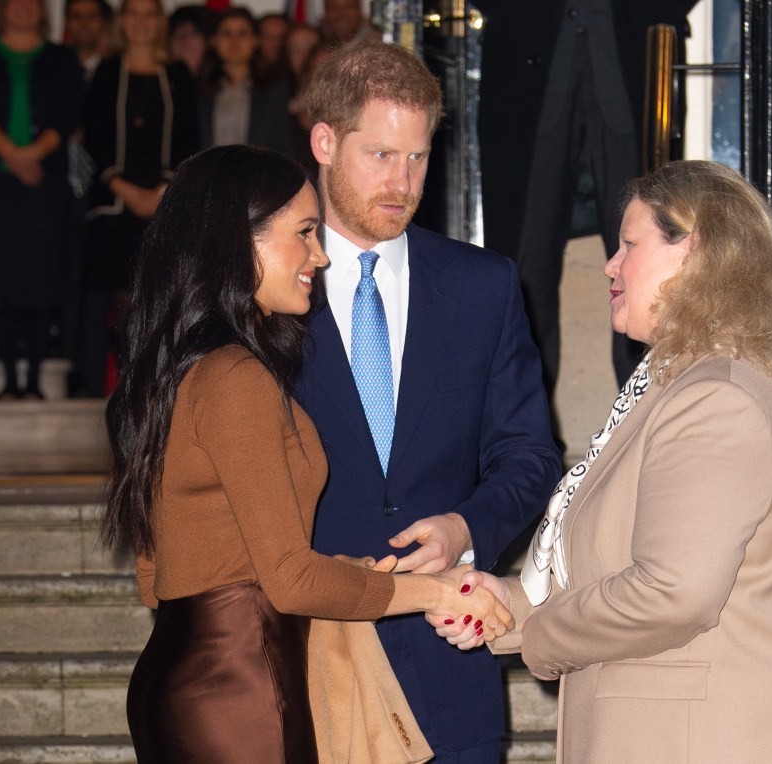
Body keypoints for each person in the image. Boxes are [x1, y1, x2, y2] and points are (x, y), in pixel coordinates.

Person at [436, 160, 772, 763]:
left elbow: (671, 593)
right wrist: (508, 605)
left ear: (696, 255)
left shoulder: (720, 397)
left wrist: (536, 630)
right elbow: (620, 570)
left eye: (629, 245)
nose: (610, 266)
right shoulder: (676, 385)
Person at [101, 144, 512, 761]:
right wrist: (439, 591)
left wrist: (355, 574)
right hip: (241, 685)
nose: (319, 255)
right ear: (241, 241)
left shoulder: (176, 369)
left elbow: (163, 573)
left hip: (188, 677)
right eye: (304, 233)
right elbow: (288, 580)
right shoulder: (236, 377)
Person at [295, 40, 561, 762]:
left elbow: (530, 455)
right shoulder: (268, 292)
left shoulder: (485, 286)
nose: (402, 181)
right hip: (305, 659)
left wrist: (464, 527)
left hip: (449, 670)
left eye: (417, 157)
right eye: (380, 154)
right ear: (324, 141)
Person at [475, 0, 697, 435]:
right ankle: (520, 448)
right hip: (527, 54)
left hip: (635, 51)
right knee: (522, 270)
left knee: (653, 260)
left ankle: (650, 432)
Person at [77, 0, 198, 397]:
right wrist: (124, 189)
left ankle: (156, 389)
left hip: (166, 206)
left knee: (159, 302)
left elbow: (190, 140)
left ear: (159, 22)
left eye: (150, 14)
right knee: (116, 303)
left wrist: (162, 191)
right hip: (115, 205)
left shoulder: (179, 75)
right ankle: (116, 389)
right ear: (122, 22)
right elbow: (93, 137)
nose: (141, 22)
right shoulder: (107, 72)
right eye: (133, 13)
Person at [0, 0, 83, 400]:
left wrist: (33, 153)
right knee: (1, 280)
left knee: (41, 279)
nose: (23, 7)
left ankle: (34, 378)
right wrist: (11, 153)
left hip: (45, 186)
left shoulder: (61, 58)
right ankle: (9, 378)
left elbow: (69, 114)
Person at [197, 7, 302, 157]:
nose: (234, 41)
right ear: (214, 41)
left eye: (242, 34)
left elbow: (283, 144)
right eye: (226, 33)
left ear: (255, 41)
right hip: (208, 176)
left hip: (260, 176)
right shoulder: (199, 88)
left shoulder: (274, 88)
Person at [63, 0, 112, 80]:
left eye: (91, 17)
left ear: (103, 22)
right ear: (67, 22)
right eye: (76, 16)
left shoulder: (116, 72)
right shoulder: (52, 66)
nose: (84, 24)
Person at [166, 3, 212, 78]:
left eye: (192, 34)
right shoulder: (163, 81)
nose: (184, 41)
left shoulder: (223, 82)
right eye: (177, 35)